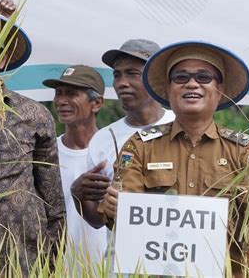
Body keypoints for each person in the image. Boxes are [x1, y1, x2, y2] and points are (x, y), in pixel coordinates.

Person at [99, 41, 249, 277]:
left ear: (219, 90)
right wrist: (115, 207)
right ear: (167, 90)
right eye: (180, 77)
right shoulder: (139, 146)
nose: (191, 83)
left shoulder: (244, 150)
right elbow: (121, 219)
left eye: (203, 77)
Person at [0, 2, 65, 272]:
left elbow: (53, 202)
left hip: (15, 261)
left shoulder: (32, 114)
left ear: (0, 59)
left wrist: (52, 265)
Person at [70, 39, 175, 228]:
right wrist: (78, 195)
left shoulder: (181, 127)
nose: (122, 83)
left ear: (157, 78)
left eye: (133, 74)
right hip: (119, 257)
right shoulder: (103, 139)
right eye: (117, 75)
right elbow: (97, 221)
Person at [42, 65, 107, 270]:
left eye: (71, 94)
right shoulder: (45, 154)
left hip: (106, 268)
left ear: (96, 103)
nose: (61, 101)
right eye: (58, 94)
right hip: (55, 268)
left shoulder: (115, 151)